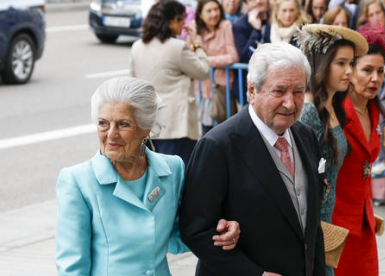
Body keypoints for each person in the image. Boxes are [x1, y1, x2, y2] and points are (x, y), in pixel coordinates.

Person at [55, 77, 241, 275]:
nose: (111, 134)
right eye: (103, 123)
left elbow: (178, 237)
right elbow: (72, 267)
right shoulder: (77, 181)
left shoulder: (172, 169)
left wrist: (220, 230)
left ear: (146, 128)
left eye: (123, 124)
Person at [179, 43, 325, 275]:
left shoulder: (305, 135)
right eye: (279, 91)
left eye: (298, 91)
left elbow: (311, 226)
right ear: (252, 91)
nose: (290, 103)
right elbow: (195, 230)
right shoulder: (218, 145)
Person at [296, 24, 368, 276]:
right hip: (312, 227)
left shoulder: (331, 106)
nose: (349, 71)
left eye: (351, 63)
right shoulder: (308, 112)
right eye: (341, 63)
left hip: (327, 223)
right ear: (322, 62)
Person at [332, 23, 385, 275]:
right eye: (367, 70)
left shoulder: (373, 110)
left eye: (381, 71)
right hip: (335, 225)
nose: (375, 78)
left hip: (364, 222)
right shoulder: (333, 112)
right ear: (350, 70)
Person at [130, 0, 210, 165]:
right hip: (176, 124)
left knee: (155, 175)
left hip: (149, 125)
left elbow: (132, 82)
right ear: (169, 21)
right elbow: (203, 71)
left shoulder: (137, 46)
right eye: (180, 19)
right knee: (178, 174)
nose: (183, 24)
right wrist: (197, 44)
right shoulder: (178, 47)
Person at [189, 0, 239, 133]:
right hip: (201, 88)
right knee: (206, 130)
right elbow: (189, 56)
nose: (214, 14)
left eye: (216, 9)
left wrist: (206, 61)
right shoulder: (194, 28)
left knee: (225, 129)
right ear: (200, 14)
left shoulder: (225, 25)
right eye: (209, 11)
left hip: (221, 88)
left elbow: (233, 56)